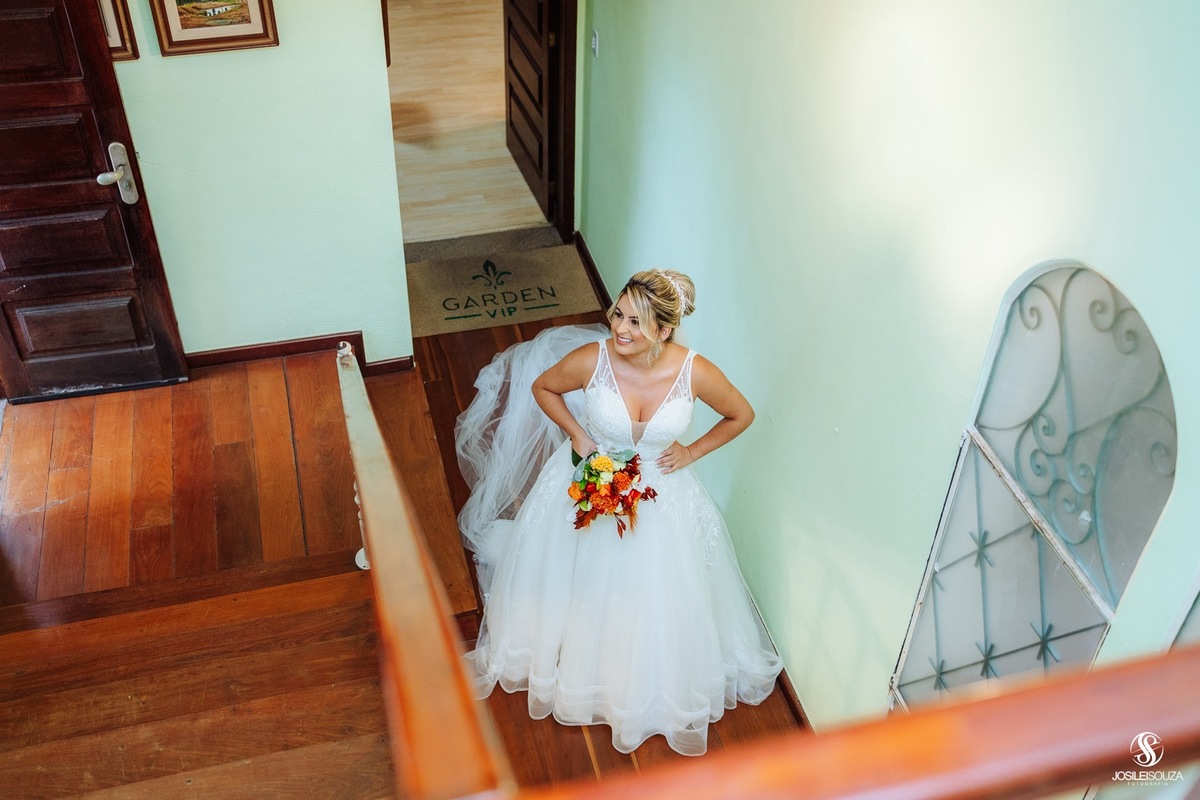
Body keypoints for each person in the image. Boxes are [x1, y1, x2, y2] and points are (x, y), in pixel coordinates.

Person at [454, 269, 781, 756]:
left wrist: (690, 453)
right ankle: (573, 657)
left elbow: (742, 414)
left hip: (663, 495)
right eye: (618, 314)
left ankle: (632, 673)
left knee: (654, 590)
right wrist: (579, 436)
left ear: (665, 331)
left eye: (635, 322)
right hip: (588, 480)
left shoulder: (695, 371)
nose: (619, 329)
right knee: (578, 575)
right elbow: (544, 387)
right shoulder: (594, 359)